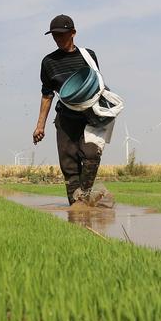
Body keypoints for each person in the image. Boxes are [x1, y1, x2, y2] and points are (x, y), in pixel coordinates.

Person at [32, 15, 105, 206]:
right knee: (69, 166)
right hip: (65, 119)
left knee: (91, 155)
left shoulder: (88, 56)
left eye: (62, 35)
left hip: (90, 117)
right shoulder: (48, 62)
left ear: (73, 33)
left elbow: (96, 83)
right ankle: (77, 210)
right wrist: (40, 126)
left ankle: (85, 197)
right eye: (55, 36)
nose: (58, 39)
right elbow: (47, 95)